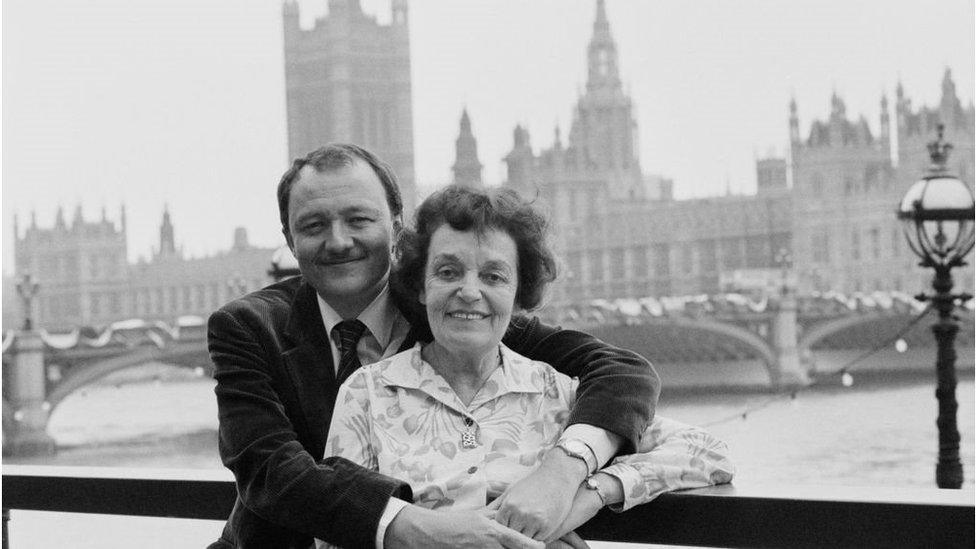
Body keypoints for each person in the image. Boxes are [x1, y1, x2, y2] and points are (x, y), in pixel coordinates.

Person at [208, 143, 661, 549]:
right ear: (289, 239)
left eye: (359, 220)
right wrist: (420, 528)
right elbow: (270, 470)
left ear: (398, 228)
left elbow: (622, 372)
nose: (339, 241)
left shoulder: (452, 310)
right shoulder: (246, 327)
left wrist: (563, 476)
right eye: (313, 225)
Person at [320, 186, 733, 548]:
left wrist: (578, 492)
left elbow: (708, 453)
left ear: (519, 296)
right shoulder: (367, 394)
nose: (469, 291)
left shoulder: (557, 394)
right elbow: (335, 534)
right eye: (448, 272)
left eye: (494, 276)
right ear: (421, 287)